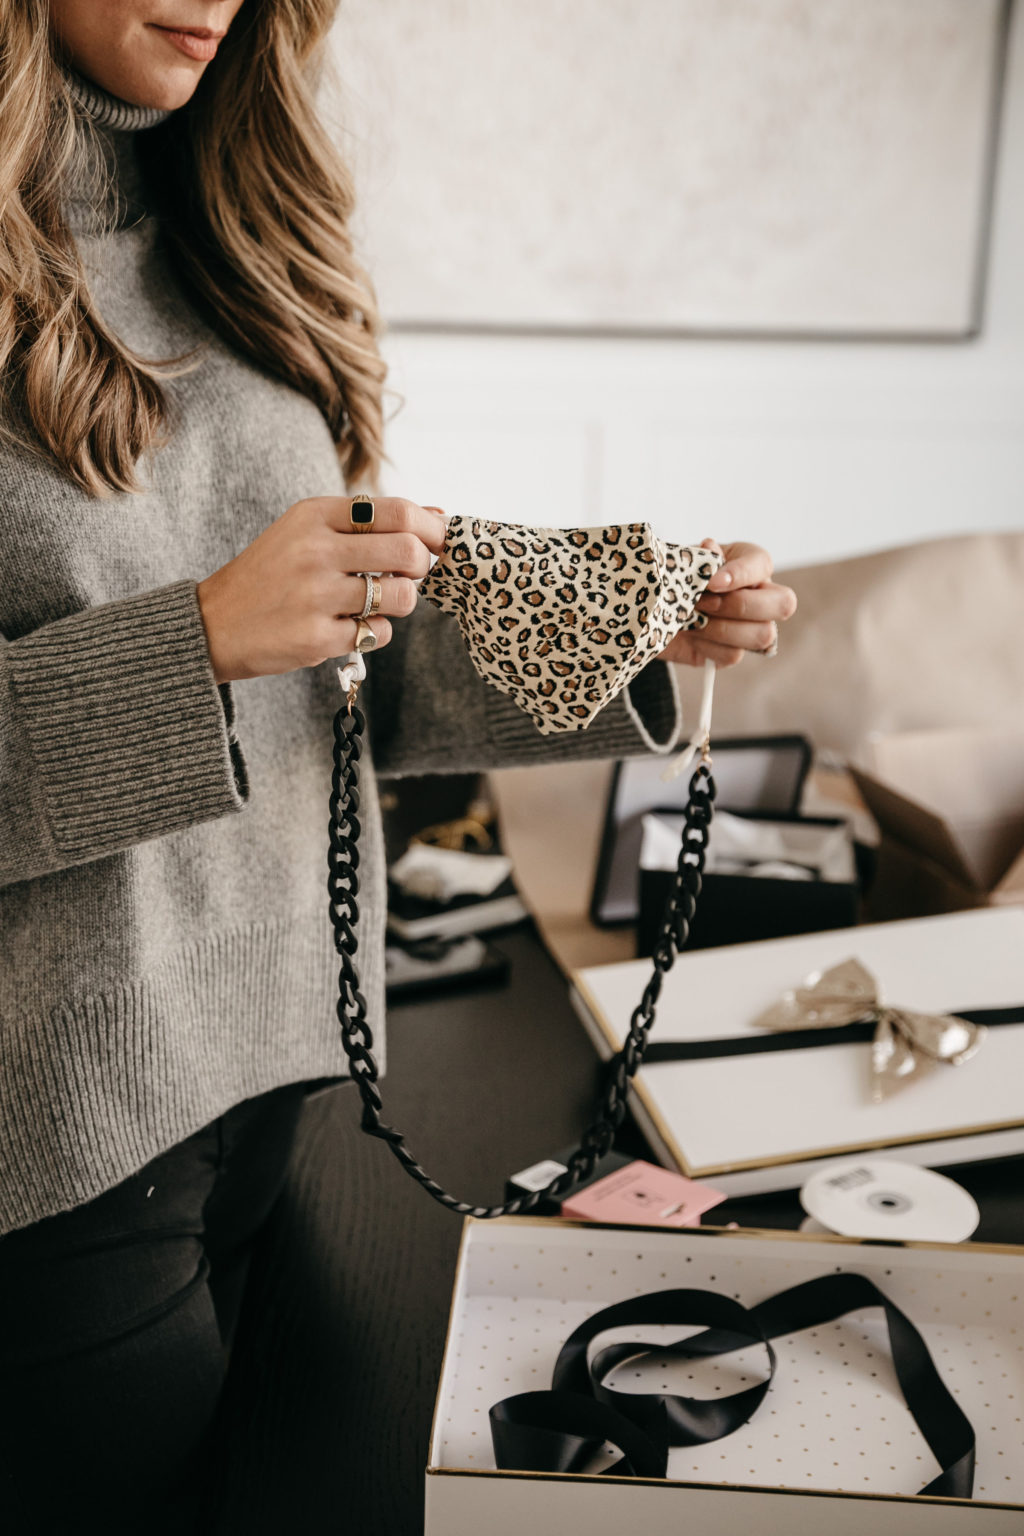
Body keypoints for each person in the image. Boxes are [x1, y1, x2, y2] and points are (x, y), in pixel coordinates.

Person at [0, 1, 798, 1529]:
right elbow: (235, 647)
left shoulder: (237, 233)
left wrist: (625, 631)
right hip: (55, 1164)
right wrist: (202, 639)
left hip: (286, 1085)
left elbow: (329, 680)